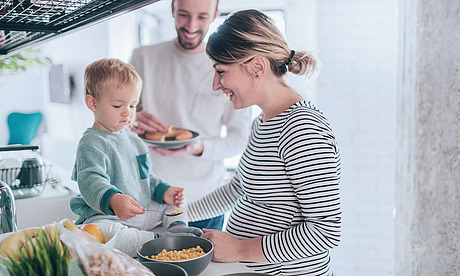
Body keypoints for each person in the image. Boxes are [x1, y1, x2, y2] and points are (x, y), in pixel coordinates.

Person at [188, 9, 342, 275]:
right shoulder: (262, 122)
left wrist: (239, 249)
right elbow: (237, 188)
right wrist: (180, 216)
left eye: (221, 71)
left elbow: (325, 231)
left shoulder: (302, 128)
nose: (216, 84)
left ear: (257, 67)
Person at [129, 0, 252, 230]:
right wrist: (130, 119)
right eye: (184, 14)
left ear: (215, 14)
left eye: (202, 17)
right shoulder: (142, 57)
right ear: (172, 10)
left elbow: (239, 138)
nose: (192, 25)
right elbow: (117, 118)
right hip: (149, 199)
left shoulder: (229, 67)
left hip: (205, 202)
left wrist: (200, 148)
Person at [69, 58, 201, 257]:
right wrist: (113, 200)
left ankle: (176, 230)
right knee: (107, 234)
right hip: (107, 216)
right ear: (92, 102)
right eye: (117, 106)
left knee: (174, 205)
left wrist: (164, 191)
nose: (127, 113)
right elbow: (90, 180)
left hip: (141, 211)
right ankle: (158, 242)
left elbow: (146, 177)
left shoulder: (135, 140)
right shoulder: (91, 142)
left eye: (132, 106)